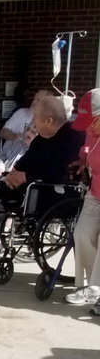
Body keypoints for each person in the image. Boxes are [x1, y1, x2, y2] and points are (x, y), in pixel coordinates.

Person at [0, 94, 85, 278]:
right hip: (28, 188)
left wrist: (26, 176)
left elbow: (62, 171)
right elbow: (27, 160)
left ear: (49, 120)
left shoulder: (72, 138)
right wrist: (14, 174)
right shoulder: (42, 137)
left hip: (50, 193)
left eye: (35, 118)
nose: (32, 122)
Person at [64, 88, 100, 309]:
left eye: (92, 120)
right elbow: (89, 151)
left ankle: (96, 289)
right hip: (95, 193)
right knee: (82, 233)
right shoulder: (93, 131)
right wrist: (82, 161)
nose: (88, 126)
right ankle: (88, 285)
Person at [0, 122, 37, 196]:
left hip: (16, 188)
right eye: (27, 128)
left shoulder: (36, 153)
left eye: (33, 132)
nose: (28, 132)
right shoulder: (14, 144)